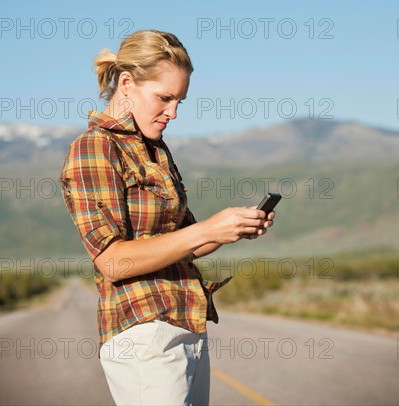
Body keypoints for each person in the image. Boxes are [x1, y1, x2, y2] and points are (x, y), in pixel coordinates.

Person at [60, 30, 274, 406]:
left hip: (188, 324)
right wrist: (206, 229)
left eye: (180, 100)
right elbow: (112, 261)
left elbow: (185, 244)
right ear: (126, 83)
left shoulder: (155, 151)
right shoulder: (94, 148)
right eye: (164, 98)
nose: (173, 112)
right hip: (144, 335)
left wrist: (231, 229)